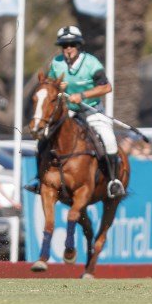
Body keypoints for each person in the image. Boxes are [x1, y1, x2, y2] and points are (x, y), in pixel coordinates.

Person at [45, 25, 125, 198]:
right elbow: (49, 86)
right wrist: (57, 87)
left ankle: (113, 181)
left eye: (72, 44)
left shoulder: (91, 63)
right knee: (44, 137)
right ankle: (41, 179)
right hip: (68, 113)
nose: (68, 49)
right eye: (64, 45)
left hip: (91, 110)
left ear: (78, 45)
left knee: (109, 140)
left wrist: (82, 95)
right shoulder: (56, 63)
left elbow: (106, 87)